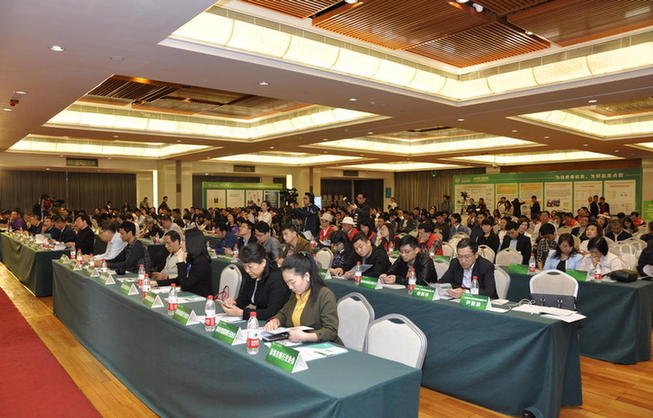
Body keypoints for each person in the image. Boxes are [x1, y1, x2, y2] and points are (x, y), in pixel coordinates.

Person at [264, 253, 341, 344]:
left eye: (292, 282)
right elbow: (284, 313)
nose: (290, 287)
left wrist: (305, 336)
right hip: (300, 344)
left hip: (323, 345)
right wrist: (276, 321)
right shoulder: (296, 293)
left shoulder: (325, 295)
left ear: (306, 276)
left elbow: (331, 331)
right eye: (287, 283)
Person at [221, 243, 290, 320]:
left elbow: (272, 312)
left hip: (274, 321)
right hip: (258, 319)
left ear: (263, 262)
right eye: (245, 266)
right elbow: (243, 299)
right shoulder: (252, 275)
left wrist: (241, 313)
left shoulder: (277, 279)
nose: (247, 270)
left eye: (250, 266)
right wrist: (233, 303)